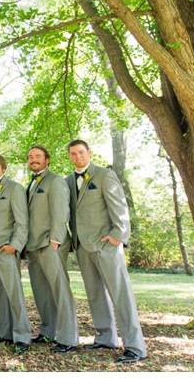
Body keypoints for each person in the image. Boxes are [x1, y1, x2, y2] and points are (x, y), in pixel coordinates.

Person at [66, 139, 147, 363]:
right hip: (83, 247)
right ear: (69, 156)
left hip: (106, 246)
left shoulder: (104, 175)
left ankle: (135, 346)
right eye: (73, 154)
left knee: (120, 295)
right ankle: (106, 337)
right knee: (95, 294)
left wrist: (117, 236)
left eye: (81, 152)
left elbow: (119, 207)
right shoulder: (67, 181)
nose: (77, 157)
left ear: (89, 153)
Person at [24, 145, 78, 353]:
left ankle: (68, 338)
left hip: (51, 243)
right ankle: (48, 331)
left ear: (47, 160)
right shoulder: (31, 183)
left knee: (59, 289)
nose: (34, 159)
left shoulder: (55, 181)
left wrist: (55, 239)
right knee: (41, 290)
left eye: (38, 156)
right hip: (33, 244)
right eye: (30, 156)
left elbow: (60, 211)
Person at [0, 154, 32, 354]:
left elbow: (22, 221)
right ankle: (4, 332)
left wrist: (15, 245)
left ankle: (22, 336)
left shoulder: (15, 189)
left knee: (14, 293)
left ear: (3, 168)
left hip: (6, 250)